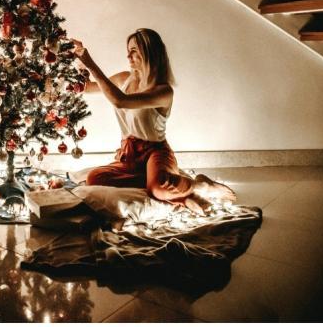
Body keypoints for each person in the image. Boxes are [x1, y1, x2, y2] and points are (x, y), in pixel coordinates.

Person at [72, 29, 236, 215]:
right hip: (129, 154)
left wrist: (90, 62)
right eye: (128, 50)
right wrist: (80, 62)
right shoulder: (124, 78)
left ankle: (198, 185)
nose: (128, 55)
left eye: (134, 50)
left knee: (158, 189)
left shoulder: (163, 91)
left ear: (149, 53)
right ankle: (171, 184)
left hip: (155, 152)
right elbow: (86, 88)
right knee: (95, 178)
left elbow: (120, 100)